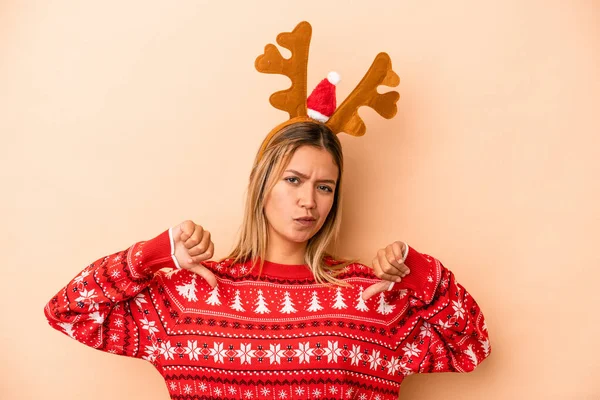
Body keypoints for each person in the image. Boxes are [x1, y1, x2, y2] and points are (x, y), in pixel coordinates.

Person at [44, 22, 490, 400]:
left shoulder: (369, 299)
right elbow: (67, 312)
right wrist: (155, 256)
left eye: (325, 187)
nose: (308, 201)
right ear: (262, 186)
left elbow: (472, 348)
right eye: (293, 180)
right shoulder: (189, 296)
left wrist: (418, 273)